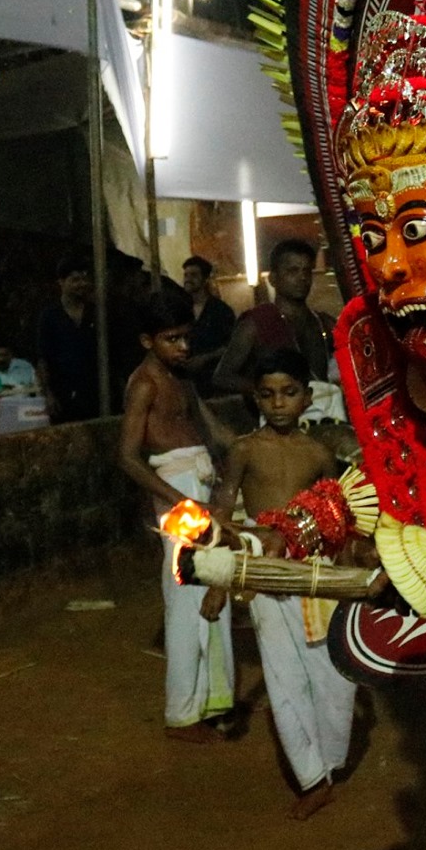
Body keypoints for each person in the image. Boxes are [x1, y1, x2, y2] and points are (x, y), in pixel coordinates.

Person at [204, 349, 359, 819]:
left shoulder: (319, 454)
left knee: (334, 676)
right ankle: (311, 777)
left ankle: (331, 759)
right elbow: (223, 514)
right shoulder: (245, 450)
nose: (278, 404)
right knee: (283, 675)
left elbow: (342, 518)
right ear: (255, 398)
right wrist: (217, 577)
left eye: (289, 393)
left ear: (308, 397)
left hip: (315, 570)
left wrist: (350, 583)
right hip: (262, 570)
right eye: (268, 394)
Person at [118, 285, 236, 743]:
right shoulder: (144, 384)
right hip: (179, 494)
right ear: (148, 340)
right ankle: (182, 713)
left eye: (186, 337)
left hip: (199, 486)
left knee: (214, 588)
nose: (184, 347)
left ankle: (212, 701)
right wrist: (181, 501)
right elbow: (127, 457)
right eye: (172, 339)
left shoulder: (181, 377)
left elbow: (211, 429)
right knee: (187, 602)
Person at [212, 240, 334, 396]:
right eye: (292, 271)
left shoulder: (322, 322)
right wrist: (271, 394)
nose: (302, 277)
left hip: (325, 413)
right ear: (273, 279)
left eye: (307, 271)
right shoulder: (256, 323)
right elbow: (222, 376)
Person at [36, 255, 101, 424]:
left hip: (96, 395)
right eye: (75, 279)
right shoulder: (49, 316)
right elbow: (43, 359)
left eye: (85, 279)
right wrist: (48, 395)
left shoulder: (97, 313)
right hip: (63, 396)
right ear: (61, 282)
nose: (82, 284)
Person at [181, 255, 238, 391]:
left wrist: (205, 359)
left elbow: (231, 345)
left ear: (205, 279)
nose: (188, 279)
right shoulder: (179, 308)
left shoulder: (221, 311)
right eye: (186, 275)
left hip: (211, 380)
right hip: (185, 380)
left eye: (194, 275)